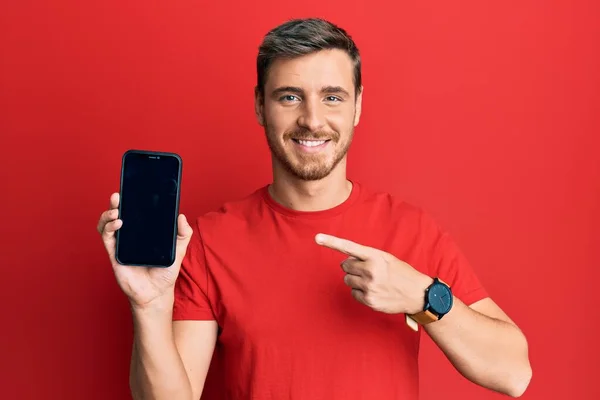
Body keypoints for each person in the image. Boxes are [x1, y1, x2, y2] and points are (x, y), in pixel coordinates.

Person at [97, 18, 532, 400]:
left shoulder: (412, 231)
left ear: (358, 105)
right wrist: (149, 307)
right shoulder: (210, 241)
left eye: (332, 97)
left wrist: (421, 295)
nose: (311, 119)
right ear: (259, 106)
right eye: (289, 97)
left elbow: (513, 374)